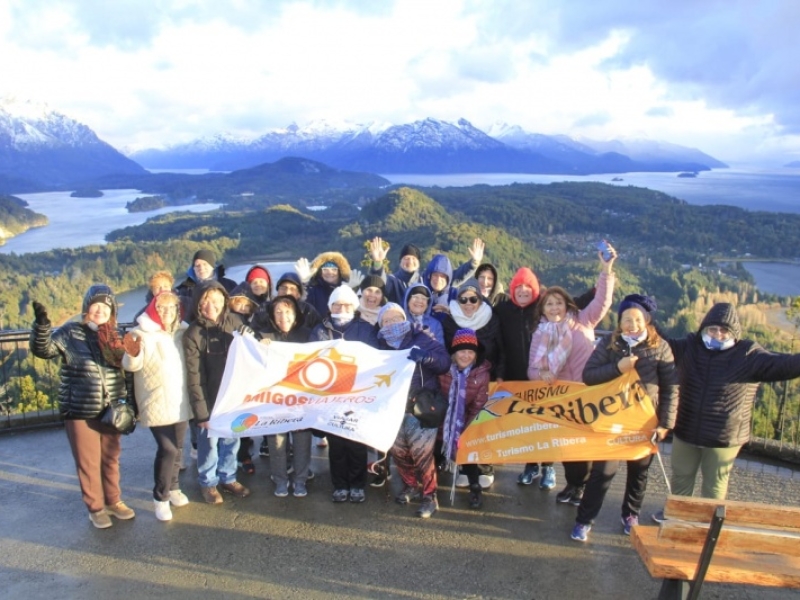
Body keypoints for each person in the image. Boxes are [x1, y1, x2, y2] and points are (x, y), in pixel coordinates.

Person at [656, 302, 800, 512]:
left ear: (734, 333)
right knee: (681, 476)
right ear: (704, 328)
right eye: (712, 329)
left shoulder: (749, 355)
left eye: (724, 330)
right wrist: (643, 313)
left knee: (714, 487)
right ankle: (678, 516)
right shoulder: (689, 346)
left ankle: (708, 526)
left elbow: (784, 365)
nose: (718, 335)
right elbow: (660, 343)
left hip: (723, 437)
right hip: (686, 429)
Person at [571, 294, 678, 542]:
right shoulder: (611, 343)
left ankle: (631, 514)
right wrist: (618, 367)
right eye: (626, 319)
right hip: (612, 420)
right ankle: (584, 520)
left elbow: (672, 387)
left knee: (638, 472)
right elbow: (589, 375)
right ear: (619, 322)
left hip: (644, 422)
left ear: (647, 320)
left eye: (637, 319)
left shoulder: (660, 346)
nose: (632, 324)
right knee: (602, 471)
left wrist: (665, 424)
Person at [29, 284, 136, 529]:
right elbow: (43, 350)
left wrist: (130, 405)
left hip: (113, 409)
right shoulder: (69, 333)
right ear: (86, 308)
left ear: (112, 311)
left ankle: (114, 501)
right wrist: (42, 327)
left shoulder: (114, 336)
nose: (100, 310)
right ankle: (96, 508)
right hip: (80, 410)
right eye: (95, 305)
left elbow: (127, 373)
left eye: (105, 306)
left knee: (111, 459)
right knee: (88, 462)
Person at [526, 247, 617, 494]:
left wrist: (606, 271)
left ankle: (582, 489)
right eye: (549, 304)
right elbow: (532, 369)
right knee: (568, 447)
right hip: (561, 400)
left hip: (587, 394)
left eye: (558, 303)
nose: (554, 308)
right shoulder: (540, 333)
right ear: (542, 309)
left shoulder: (583, 321)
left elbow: (602, 301)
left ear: (566, 305)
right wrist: (541, 375)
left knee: (585, 445)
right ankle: (574, 485)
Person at [121, 291, 191, 522]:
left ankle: (174, 488)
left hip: (180, 400)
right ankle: (160, 497)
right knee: (168, 449)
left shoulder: (182, 332)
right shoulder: (140, 333)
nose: (167, 312)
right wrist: (131, 353)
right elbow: (131, 366)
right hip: (155, 399)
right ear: (153, 308)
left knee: (178, 447)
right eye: (162, 308)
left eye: (171, 308)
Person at [378, 303, 450, 518]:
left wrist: (427, 357)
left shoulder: (422, 337)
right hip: (393, 408)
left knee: (422, 455)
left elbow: (444, 362)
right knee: (399, 452)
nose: (392, 323)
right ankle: (410, 485)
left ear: (404, 318)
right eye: (386, 321)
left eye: (395, 318)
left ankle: (430, 496)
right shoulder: (379, 344)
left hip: (420, 407)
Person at [309, 284, 379, 503]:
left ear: (354, 306)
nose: (342, 307)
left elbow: (376, 358)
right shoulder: (320, 330)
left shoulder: (365, 328)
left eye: (347, 304)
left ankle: (357, 485)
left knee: (356, 443)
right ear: (330, 306)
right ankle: (340, 485)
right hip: (330, 397)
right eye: (337, 304)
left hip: (357, 396)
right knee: (337, 445)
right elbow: (310, 359)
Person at [183, 280, 250, 504]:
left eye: (217, 300)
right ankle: (208, 482)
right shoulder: (193, 333)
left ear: (225, 301)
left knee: (232, 440)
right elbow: (194, 376)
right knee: (209, 445)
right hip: (209, 398)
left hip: (234, 398)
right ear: (199, 304)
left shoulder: (235, 322)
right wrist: (201, 413)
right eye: (206, 301)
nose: (212, 306)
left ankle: (228, 476)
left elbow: (253, 351)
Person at [441, 277, 505, 489]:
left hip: (488, 375)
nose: (468, 303)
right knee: (459, 417)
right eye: (463, 299)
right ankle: (462, 465)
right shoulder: (450, 320)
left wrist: (499, 375)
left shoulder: (492, 318)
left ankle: (485, 466)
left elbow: (502, 348)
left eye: (473, 299)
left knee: (484, 423)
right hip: (458, 376)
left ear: (480, 300)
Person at [256, 295, 314, 498]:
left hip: (301, 399)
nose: (284, 317)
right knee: (277, 443)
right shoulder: (264, 336)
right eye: (278, 312)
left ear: (296, 313)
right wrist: (257, 346)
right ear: (272, 315)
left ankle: (300, 480)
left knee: (302, 442)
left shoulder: (307, 335)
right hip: (275, 401)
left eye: (288, 311)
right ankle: (280, 480)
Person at [438, 329, 491, 509]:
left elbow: (478, 406)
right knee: (435, 452)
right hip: (442, 420)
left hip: (465, 420)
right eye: (462, 351)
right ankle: (428, 489)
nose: (466, 355)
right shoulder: (443, 369)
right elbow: (436, 396)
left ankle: (475, 488)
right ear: (454, 353)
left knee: (468, 453)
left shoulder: (481, 374)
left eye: (470, 352)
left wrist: (464, 432)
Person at [422, 239, 485, 320]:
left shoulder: (454, 295)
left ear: (448, 278)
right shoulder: (420, 291)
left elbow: (461, 273)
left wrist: (474, 263)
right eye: (435, 275)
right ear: (429, 276)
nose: (438, 279)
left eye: (442, 276)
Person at [176, 249, 236, 317]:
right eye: (197, 265)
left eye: (205, 264)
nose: (201, 268)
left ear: (212, 266)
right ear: (193, 269)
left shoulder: (230, 285)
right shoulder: (185, 290)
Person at [295, 251, 355, 317]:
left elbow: (356, 310)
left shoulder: (348, 287)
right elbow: (303, 304)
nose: (329, 272)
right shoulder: (313, 290)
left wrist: (352, 289)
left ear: (339, 272)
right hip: (318, 326)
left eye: (334, 269)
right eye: (325, 269)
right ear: (320, 272)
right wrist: (304, 283)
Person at [367, 238, 424, 305]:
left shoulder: (424, 280)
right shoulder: (393, 280)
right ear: (400, 262)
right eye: (406, 258)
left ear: (419, 263)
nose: (410, 262)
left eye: (414, 259)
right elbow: (379, 285)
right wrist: (378, 262)